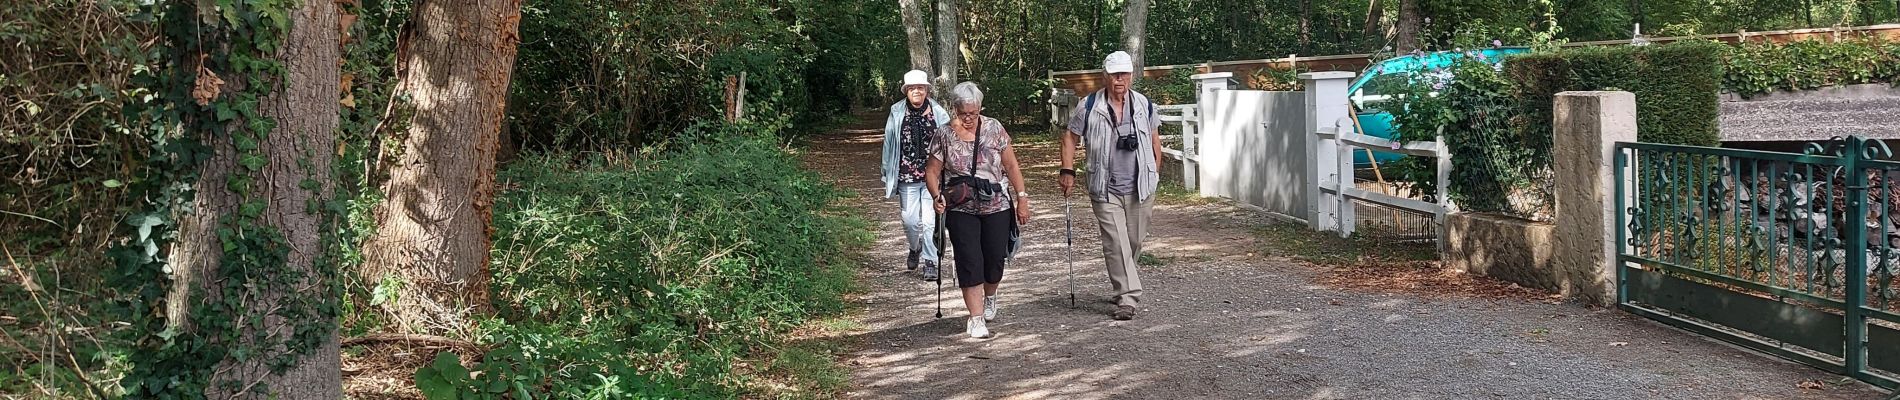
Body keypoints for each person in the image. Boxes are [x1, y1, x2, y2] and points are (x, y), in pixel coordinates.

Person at [1058, 51, 1163, 321]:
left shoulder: (1144, 104)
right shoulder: (1090, 105)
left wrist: (1155, 172)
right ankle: (1128, 297)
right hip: (1105, 186)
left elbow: (1154, 140)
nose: (1120, 79)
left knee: (1134, 241)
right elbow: (1070, 138)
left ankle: (1122, 285)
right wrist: (1067, 169)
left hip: (1141, 185)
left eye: (1125, 74)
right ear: (1105, 76)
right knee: (1116, 241)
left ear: (1131, 75)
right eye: (1115, 74)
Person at [927, 81, 1031, 339]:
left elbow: (1013, 166)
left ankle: (990, 296)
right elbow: (931, 171)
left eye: (973, 113)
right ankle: (975, 318)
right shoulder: (944, 134)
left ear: (981, 108)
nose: (969, 118)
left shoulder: (994, 128)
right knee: (969, 259)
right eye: (964, 114)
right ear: (955, 109)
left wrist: (1022, 198)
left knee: (995, 259)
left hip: (996, 203)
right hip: (961, 206)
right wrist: (936, 195)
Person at [882, 70, 950, 280]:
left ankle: (930, 262)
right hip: (906, 176)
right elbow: (889, 143)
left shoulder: (939, 112)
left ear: (927, 90)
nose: (917, 92)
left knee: (931, 221)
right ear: (906, 91)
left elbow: (949, 143)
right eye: (912, 88)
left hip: (933, 176)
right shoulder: (896, 112)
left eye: (921, 88)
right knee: (910, 221)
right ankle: (915, 247)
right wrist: (886, 172)